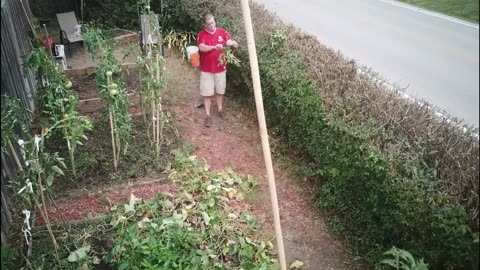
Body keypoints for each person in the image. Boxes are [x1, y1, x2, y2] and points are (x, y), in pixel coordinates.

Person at [197, 12, 238, 127]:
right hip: (207, 70)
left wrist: (232, 43)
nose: (211, 25)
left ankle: (220, 110)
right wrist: (214, 47)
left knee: (220, 91)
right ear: (205, 24)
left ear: (215, 21)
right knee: (207, 93)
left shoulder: (222, 32)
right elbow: (201, 47)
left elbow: (233, 44)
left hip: (220, 69)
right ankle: (208, 115)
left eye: (213, 22)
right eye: (209, 24)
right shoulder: (202, 34)